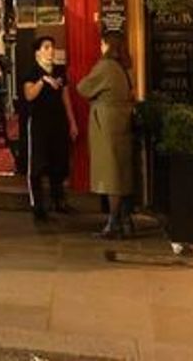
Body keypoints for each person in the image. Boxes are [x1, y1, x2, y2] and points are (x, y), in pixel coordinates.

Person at [77, 32, 135, 239]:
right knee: (123, 173)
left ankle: (113, 223)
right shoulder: (125, 67)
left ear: (108, 45)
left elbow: (83, 88)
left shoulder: (105, 66)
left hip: (106, 124)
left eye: (102, 44)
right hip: (123, 121)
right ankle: (126, 220)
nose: (100, 47)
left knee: (111, 176)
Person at [22, 36, 79, 222]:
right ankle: (37, 205)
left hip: (58, 121)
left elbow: (65, 97)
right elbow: (29, 95)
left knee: (59, 162)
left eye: (52, 47)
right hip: (39, 122)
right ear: (37, 52)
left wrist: (72, 122)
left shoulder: (60, 70)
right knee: (38, 164)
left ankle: (58, 200)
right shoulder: (32, 71)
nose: (50, 51)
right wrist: (42, 81)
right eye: (46, 47)